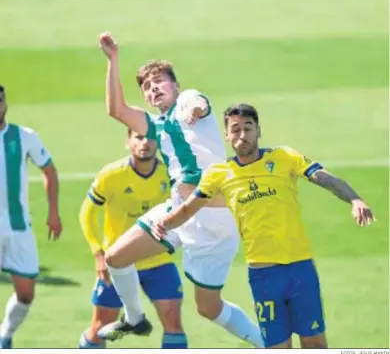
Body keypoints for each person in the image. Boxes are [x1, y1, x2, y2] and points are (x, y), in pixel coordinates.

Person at [152, 103, 375, 349]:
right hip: (263, 276)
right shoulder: (219, 173)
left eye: (248, 128)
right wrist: (165, 223)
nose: (242, 135)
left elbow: (324, 178)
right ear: (227, 135)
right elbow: (189, 208)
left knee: (315, 345)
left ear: (259, 131)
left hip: (300, 269)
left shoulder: (284, 157)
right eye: (235, 129)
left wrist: (354, 198)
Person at [96, 32, 263, 348]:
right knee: (116, 258)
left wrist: (195, 110)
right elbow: (116, 110)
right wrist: (113, 59)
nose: (153, 88)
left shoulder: (188, 100)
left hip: (214, 222)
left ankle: (266, 344)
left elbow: (198, 103)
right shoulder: (155, 124)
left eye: (159, 81)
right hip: (177, 210)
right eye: (147, 86)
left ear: (175, 85)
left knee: (208, 308)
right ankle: (134, 318)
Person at [78, 128, 187, 349]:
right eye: (139, 137)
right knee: (100, 327)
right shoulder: (112, 175)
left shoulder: (171, 173)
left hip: (159, 262)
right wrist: (98, 253)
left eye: (151, 138)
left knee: (173, 323)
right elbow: (86, 213)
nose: (145, 143)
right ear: (128, 141)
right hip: (118, 263)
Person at [0, 85, 63, 349]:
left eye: (0, 99)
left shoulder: (24, 136)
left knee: (26, 294)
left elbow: (49, 171)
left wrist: (53, 212)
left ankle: (4, 335)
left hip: (18, 227)